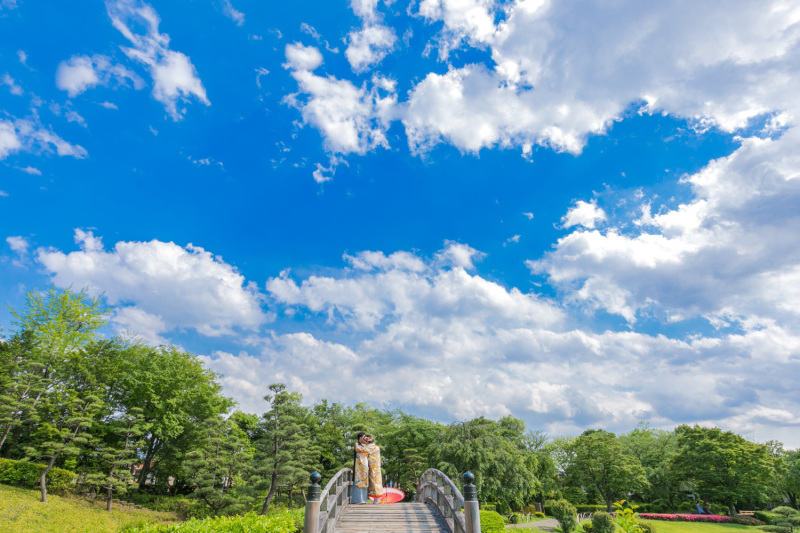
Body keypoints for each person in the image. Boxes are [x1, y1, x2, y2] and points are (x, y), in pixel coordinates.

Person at [352, 432, 384, 504]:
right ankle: (377, 498)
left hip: (373, 467)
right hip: (376, 466)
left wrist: (356, 445)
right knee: (376, 481)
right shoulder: (376, 447)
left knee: (374, 482)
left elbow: (359, 450)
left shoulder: (369, 447)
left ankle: (378, 498)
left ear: (367, 441)